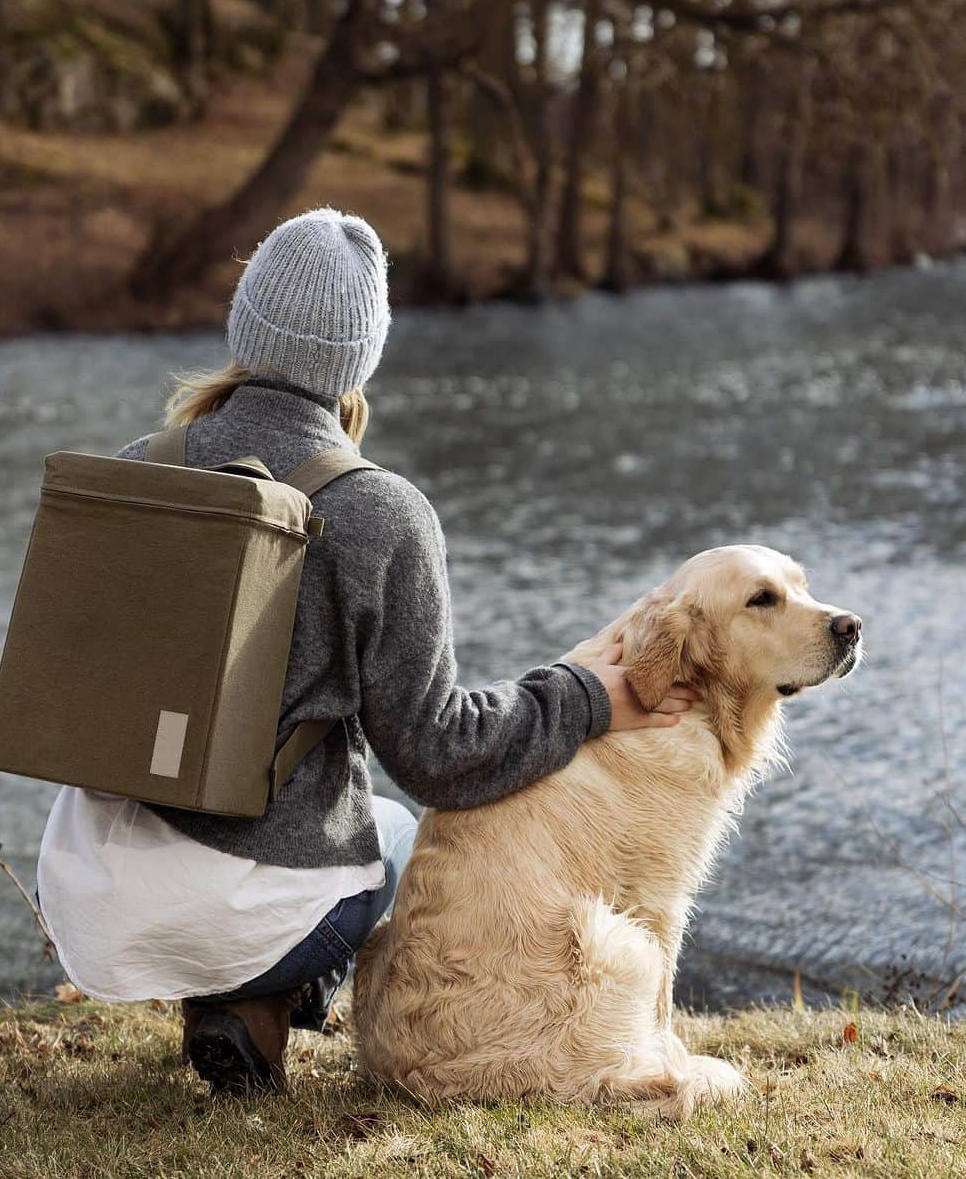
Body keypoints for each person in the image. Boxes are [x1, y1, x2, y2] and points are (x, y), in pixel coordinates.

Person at [36, 208, 695, 1096]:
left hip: (87, 886)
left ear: (246, 324)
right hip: (232, 911)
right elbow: (441, 757)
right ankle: (254, 1003)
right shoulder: (381, 512)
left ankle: (234, 1006)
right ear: (362, 355)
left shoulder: (140, 464)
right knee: (391, 836)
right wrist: (582, 697)